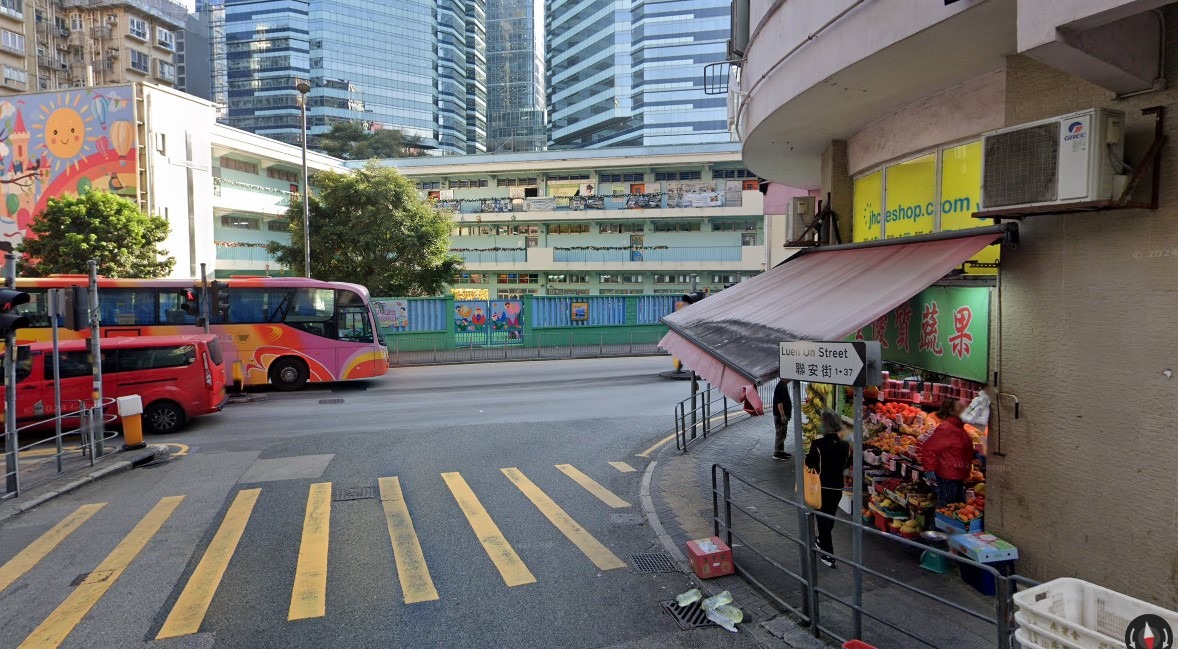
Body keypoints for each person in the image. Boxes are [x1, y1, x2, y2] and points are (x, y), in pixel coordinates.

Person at [805, 410, 851, 568]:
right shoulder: (845, 445)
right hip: (838, 487)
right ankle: (821, 541)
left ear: (825, 425)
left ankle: (828, 554)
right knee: (829, 517)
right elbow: (846, 464)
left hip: (821, 487)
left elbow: (810, 463)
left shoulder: (817, 445)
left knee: (823, 519)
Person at [922, 399, 975, 507]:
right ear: (951, 411)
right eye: (961, 407)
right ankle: (937, 525)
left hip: (957, 475)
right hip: (948, 477)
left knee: (955, 508)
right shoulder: (947, 428)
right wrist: (930, 470)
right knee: (946, 508)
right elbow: (928, 448)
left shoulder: (959, 428)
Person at [772, 379, 793, 460]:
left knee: (783, 434)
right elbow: (779, 403)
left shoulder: (783, 385)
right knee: (780, 433)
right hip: (779, 415)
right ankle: (777, 452)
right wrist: (783, 415)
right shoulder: (780, 387)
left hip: (782, 415)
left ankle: (781, 451)